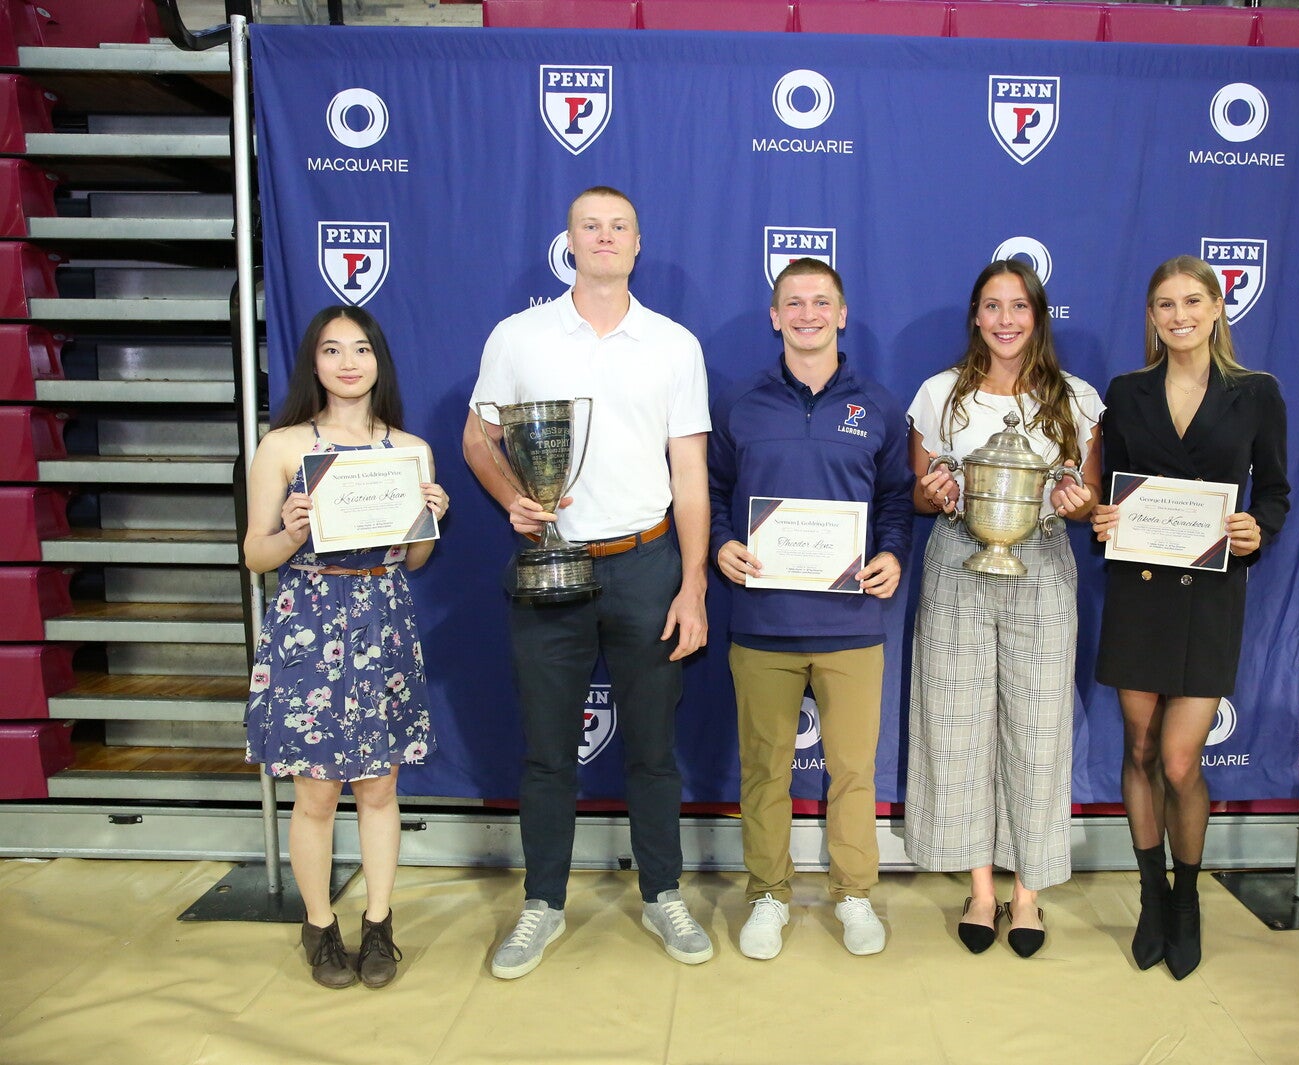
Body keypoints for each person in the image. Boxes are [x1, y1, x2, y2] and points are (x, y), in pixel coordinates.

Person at [463, 186, 713, 979]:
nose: (604, 238)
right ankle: (542, 901)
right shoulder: (520, 335)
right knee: (546, 752)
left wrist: (694, 584)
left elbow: (692, 475)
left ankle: (663, 890)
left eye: (618, 227)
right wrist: (512, 498)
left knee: (653, 750)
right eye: (589, 226)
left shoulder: (674, 344)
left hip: (647, 562)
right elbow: (477, 434)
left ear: (638, 244)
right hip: (549, 566)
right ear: (568, 242)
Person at [1091, 255, 1290, 980]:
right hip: (1141, 593)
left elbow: (1274, 491)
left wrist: (1255, 529)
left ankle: (1187, 896)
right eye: (1165, 304)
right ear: (1151, 317)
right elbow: (1110, 490)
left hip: (1210, 596)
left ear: (1215, 308)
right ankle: (1151, 895)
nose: (1178, 315)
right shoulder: (1127, 392)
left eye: (1191, 301)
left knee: (1180, 759)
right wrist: (1105, 516)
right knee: (1141, 751)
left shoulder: (1257, 393)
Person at [709, 258, 913, 960]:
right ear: (774, 316)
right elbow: (711, 488)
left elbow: (894, 498)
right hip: (761, 625)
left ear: (843, 313)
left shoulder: (879, 405)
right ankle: (767, 893)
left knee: (854, 771)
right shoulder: (740, 403)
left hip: (851, 627)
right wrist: (721, 542)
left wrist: (891, 553)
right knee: (764, 769)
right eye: (792, 302)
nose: (807, 313)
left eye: (820, 301)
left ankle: (853, 893)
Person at [244, 305, 449, 990]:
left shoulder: (411, 449)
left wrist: (431, 517)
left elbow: (416, 559)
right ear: (314, 363)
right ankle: (319, 923)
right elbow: (255, 554)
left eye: (361, 348)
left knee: (380, 783)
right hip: (307, 616)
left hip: (381, 613)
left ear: (378, 360)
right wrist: (294, 529)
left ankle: (380, 923)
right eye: (333, 350)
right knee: (316, 789)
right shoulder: (282, 448)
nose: (349, 361)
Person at [904, 259, 1102, 958]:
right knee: (956, 724)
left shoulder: (1076, 398)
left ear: (1038, 316)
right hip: (958, 562)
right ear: (976, 317)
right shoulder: (939, 394)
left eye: (1019, 306)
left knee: (1038, 729)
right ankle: (981, 888)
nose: (1006, 319)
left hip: (1043, 564)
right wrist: (939, 492)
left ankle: (1028, 894)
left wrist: (1077, 502)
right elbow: (921, 490)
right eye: (993, 306)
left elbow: (1086, 492)